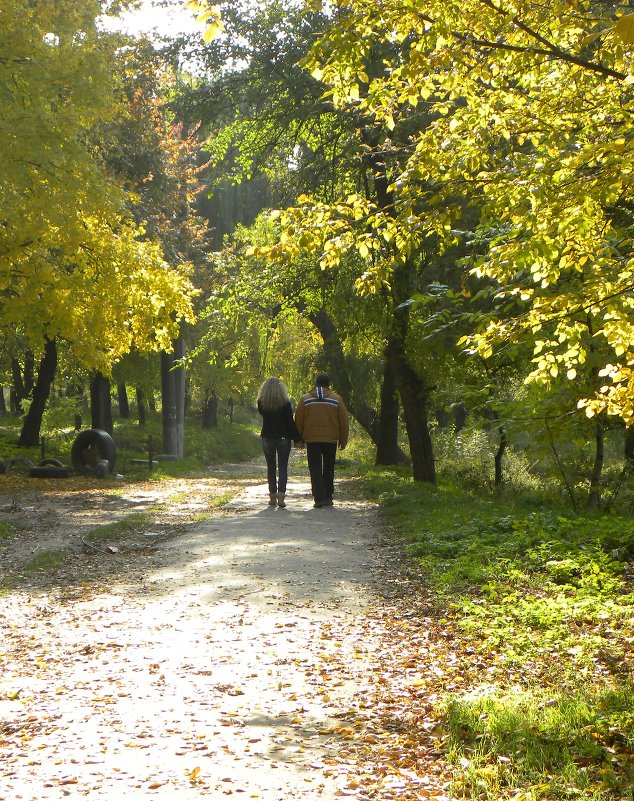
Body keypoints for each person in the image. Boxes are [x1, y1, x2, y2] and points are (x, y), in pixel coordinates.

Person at [294, 373, 349, 508]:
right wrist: (343, 439)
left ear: (315, 384)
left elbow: (299, 420)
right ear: (328, 384)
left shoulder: (305, 399)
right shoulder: (337, 399)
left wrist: (298, 438)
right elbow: (343, 422)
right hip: (331, 440)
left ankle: (319, 498)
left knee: (315, 468)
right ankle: (328, 497)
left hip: (312, 439)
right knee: (329, 468)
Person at [256, 377, 302, 508]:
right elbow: (289, 422)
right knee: (283, 467)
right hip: (283, 438)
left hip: (267, 437)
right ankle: (281, 496)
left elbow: (263, 415)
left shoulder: (261, 402)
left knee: (270, 467)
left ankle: (272, 497)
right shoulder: (285, 403)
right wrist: (297, 438)